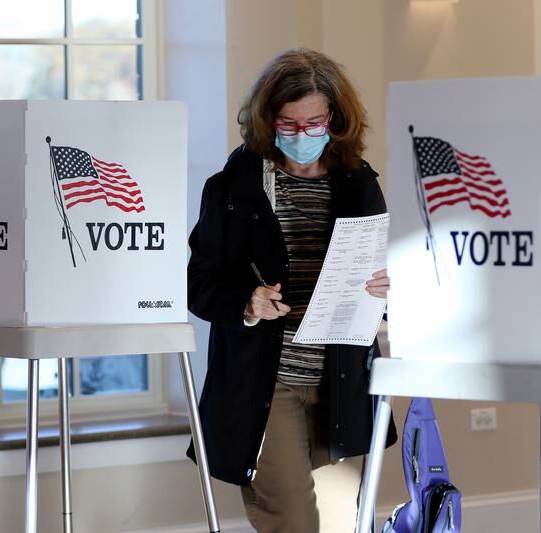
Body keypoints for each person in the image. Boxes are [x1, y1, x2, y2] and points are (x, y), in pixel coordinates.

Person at [187, 47, 397, 533]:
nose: (302, 137)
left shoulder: (359, 184)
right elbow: (199, 285)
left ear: (335, 119)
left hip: (341, 381)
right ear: (267, 119)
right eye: (288, 125)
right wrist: (247, 301)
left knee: (344, 524)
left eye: (314, 123)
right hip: (267, 382)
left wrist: (388, 288)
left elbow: (382, 274)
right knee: (296, 524)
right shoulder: (232, 188)